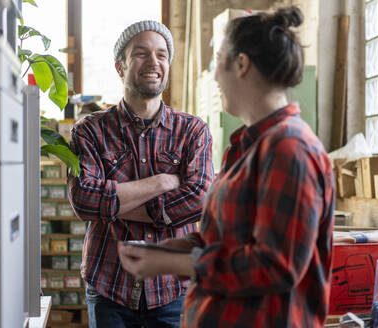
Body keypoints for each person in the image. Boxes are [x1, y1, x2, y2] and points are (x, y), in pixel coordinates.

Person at [117, 6, 335, 328]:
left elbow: (276, 266)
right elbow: (231, 240)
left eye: (218, 60)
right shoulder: (247, 145)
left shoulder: (290, 149)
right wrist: (171, 250)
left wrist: (180, 261)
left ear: (242, 64)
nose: (215, 75)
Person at [67, 20, 214, 328]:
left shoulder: (193, 131)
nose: (153, 62)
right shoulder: (90, 130)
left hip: (173, 289)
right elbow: (84, 200)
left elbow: (199, 199)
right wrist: (160, 183)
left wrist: (116, 205)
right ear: (120, 67)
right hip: (109, 286)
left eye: (162, 55)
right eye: (141, 53)